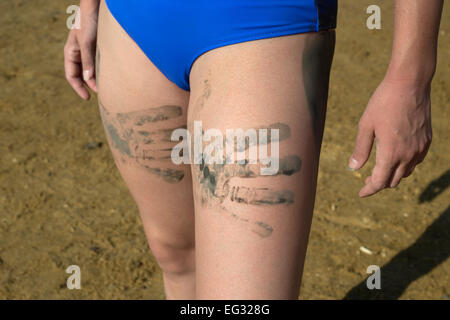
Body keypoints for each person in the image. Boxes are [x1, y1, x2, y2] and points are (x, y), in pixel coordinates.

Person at [64, 0, 443, 299]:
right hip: (131, 21)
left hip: (262, 25)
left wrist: (409, 77)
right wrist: (87, 7)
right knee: (178, 257)